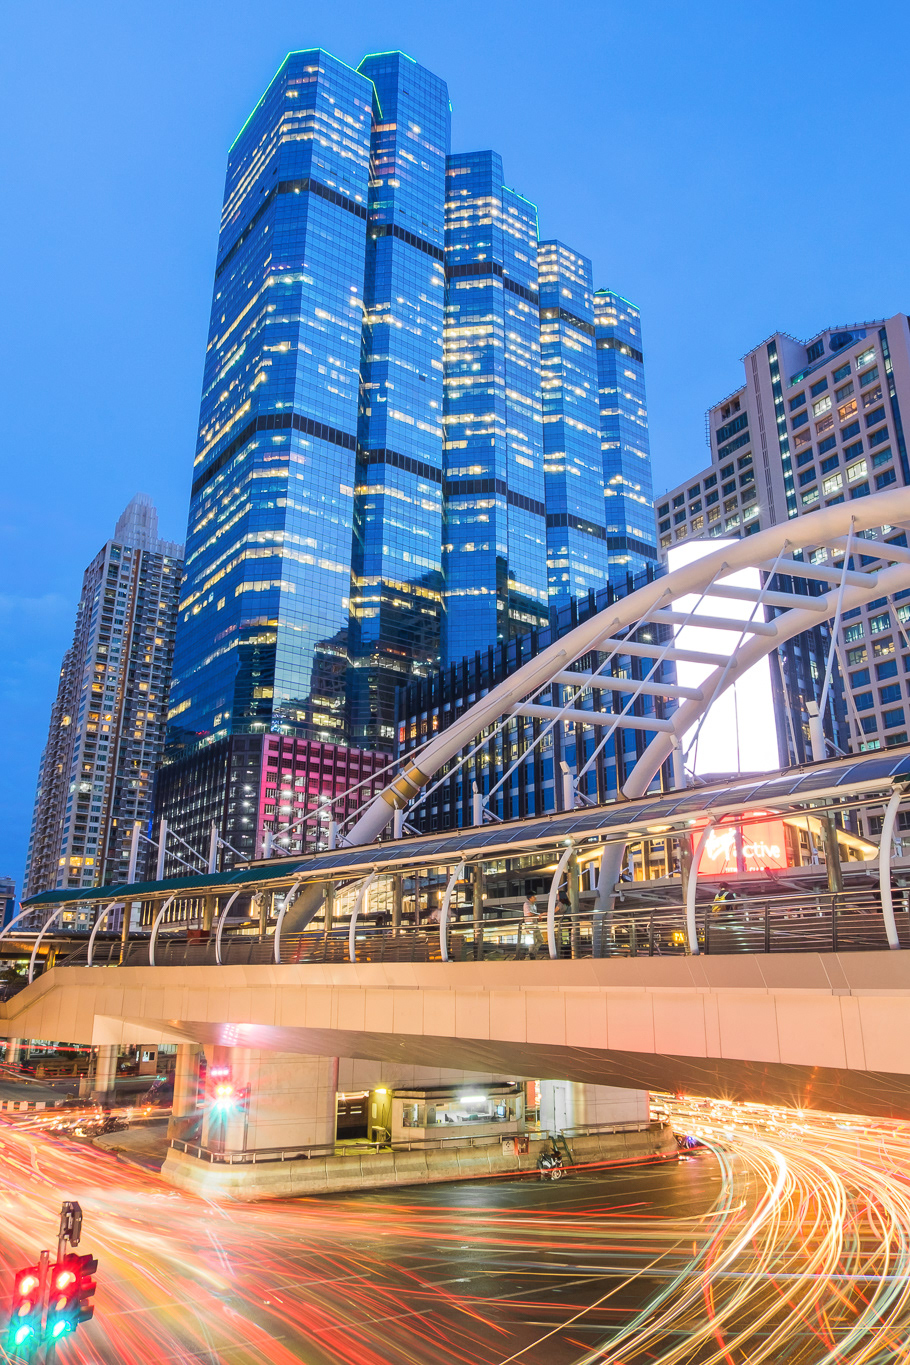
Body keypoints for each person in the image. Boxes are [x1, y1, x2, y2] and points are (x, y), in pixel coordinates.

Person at [522, 892, 544, 959]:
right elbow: (529, 913)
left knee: (540, 939)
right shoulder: (526, 904)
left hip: (535, 924)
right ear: (530, 898)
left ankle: (533, 953)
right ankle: (531, 954)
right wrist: (538, 915)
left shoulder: (534, 904)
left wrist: (538, 917)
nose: (535, 898)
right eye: (534, 896)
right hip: (530, 924)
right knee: (532, 941)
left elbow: (532, 914)